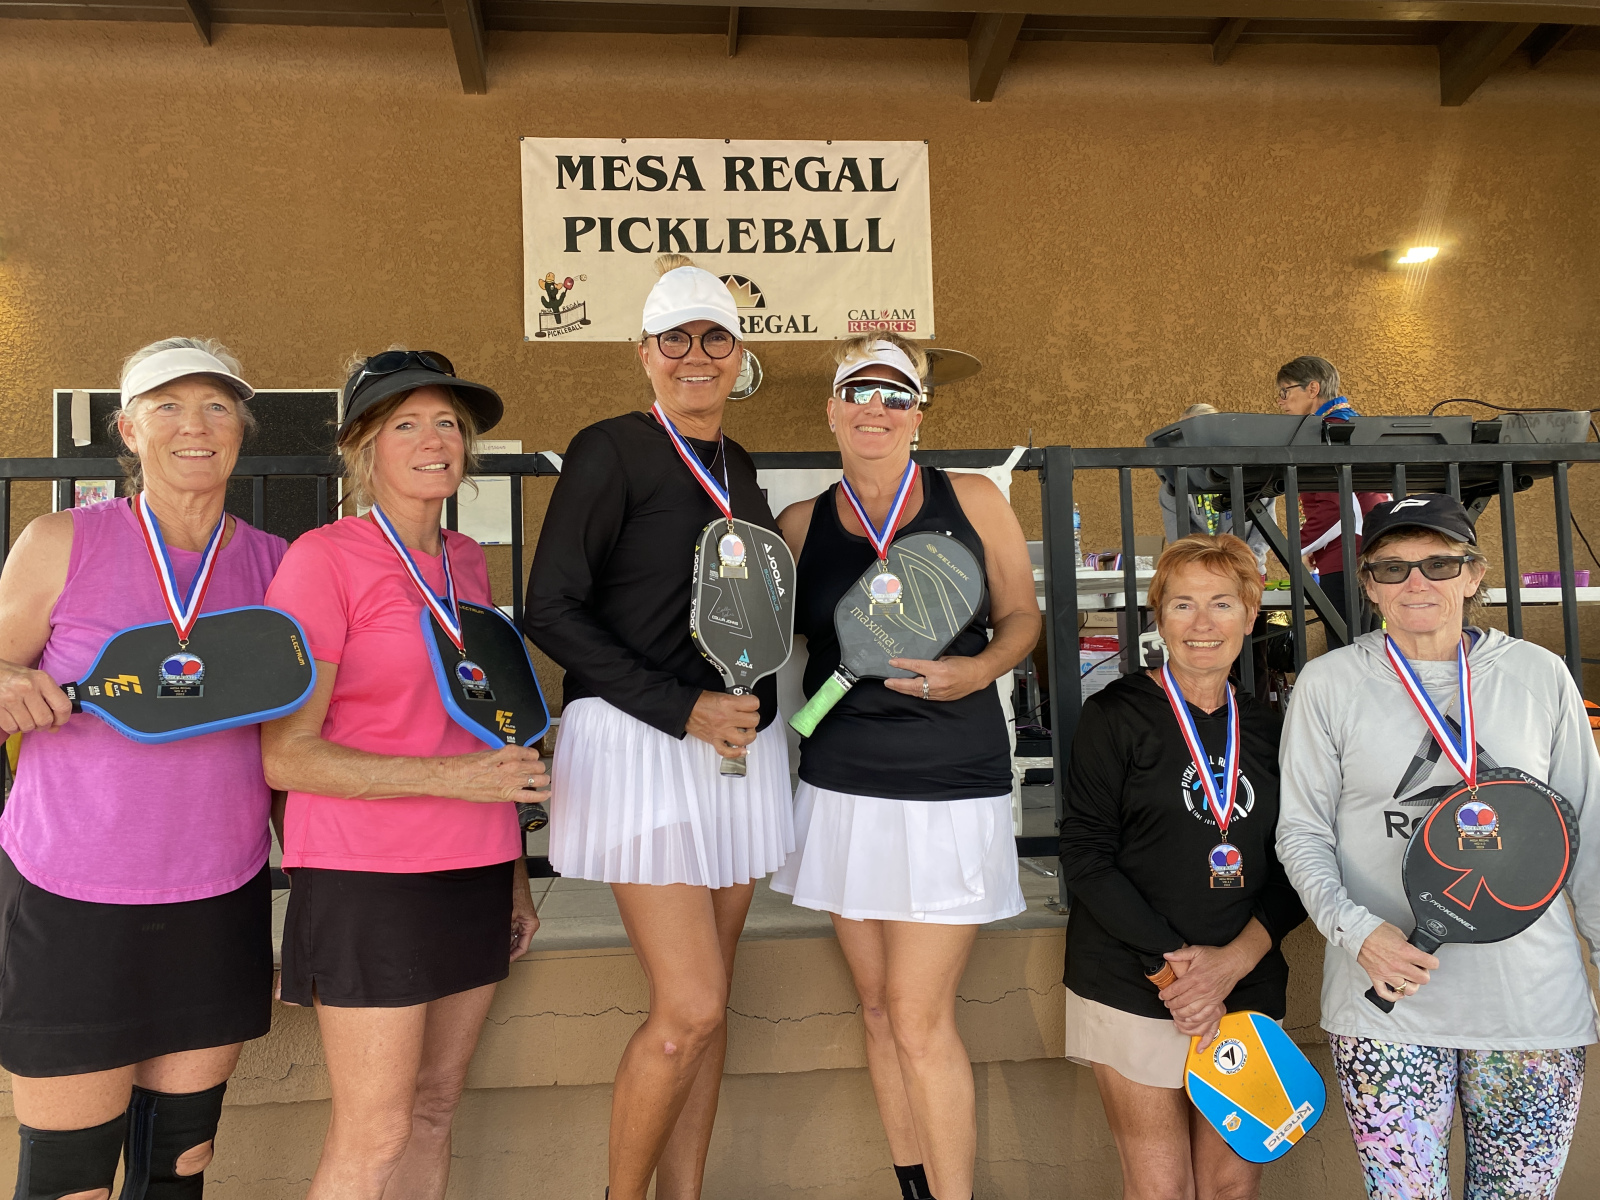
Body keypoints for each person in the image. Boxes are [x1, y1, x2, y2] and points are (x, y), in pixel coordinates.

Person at [523, 255, 792, 1200]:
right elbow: (549, 609)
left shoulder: (739, 465)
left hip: (733, 751)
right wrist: (682, 707)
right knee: (691, 1005)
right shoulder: (609, 448)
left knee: (711, 1015)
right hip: (645, 744)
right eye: (674, 338)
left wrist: (746, 702)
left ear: (739, 356)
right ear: (644, 353)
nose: (695, 356)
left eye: (715, 338)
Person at [260, 350, 546, 1200]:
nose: (434, 439)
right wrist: (455, 782)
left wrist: (514, 878)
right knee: (376, 1131)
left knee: (434, 1108)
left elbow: (478, 734)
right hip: (366, 874)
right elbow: (286, 754)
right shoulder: (323, 558)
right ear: (364, 447)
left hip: (475, 867)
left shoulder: (467, 561)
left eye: (448, 423)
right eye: (406, 424)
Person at [0, 338, 281, 1200]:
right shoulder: (60, 541)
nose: (195, 426)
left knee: (179, 1169)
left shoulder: (277, 564)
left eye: (217, 406)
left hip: (219, 892)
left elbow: (300, 737)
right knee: (69, 1177)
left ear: (241, 429)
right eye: (167, 406)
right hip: (70, 894)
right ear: (128, 429)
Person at [770, 334, 1040, 1200]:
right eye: (859, 391)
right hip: (841, 785)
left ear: (919, 414)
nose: (875, 409)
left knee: (921, 1019)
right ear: (832, 410)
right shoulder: (800, 524)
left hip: (949, 784)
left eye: (895, 394)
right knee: (882, 1010)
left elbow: (1022, 618)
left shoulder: (974, 498)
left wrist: (977, 670)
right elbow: (763, 639)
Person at [1277, 494, 1600, 1200]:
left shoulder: (1539, 676)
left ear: (1473, 574)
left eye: (1439, 564)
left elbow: (1590, 833)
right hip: (1385, 1008)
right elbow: (1301, 832)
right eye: (1392, 567)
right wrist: (1358, 933)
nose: (1416, 582)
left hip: (1530, 1010)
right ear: (1368, 584)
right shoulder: (1330, 684)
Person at [1058, 533, 1306, 1200]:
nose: (1202, 624)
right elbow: (1085, 855)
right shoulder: (1114, 715)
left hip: (1243, 983)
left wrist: (1231, 964)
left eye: (1222, 603)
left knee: (1230, 1189)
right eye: (1182, 604)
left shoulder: (1272, 729)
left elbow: (1299, 863)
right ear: (1159, 617)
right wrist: (1176, 973)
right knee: (1161, 1188)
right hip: (1134, 978)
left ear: (1250, 616)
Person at [1274, 355, 1388, 645]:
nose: (1280, 401)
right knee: (1368, 646)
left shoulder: (1328, 432)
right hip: (1368, 549)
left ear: (1312, 389)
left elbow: (1337, 508)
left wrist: (1296, 547)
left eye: (1285, 391)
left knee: (1346, 649)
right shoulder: (1352, 424)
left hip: (1346, 555)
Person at [1157, 402, 1272, 575]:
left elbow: (1265, 529)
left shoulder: (1249, 476)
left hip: (1247, 570)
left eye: (1198, 434)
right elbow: (1180, 540)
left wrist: (1246, 562)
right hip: (1201, 574)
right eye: (1185, 436)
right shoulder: (1174, 486)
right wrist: (1209, 569)